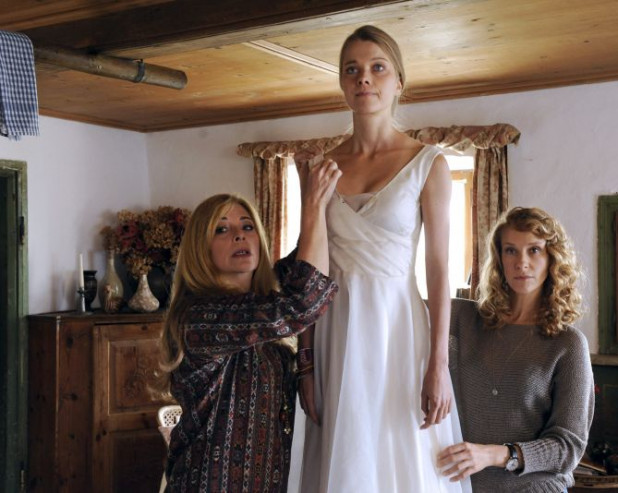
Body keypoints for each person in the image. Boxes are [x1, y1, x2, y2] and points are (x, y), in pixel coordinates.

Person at [298, 25, 470, 493]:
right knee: (346, 457)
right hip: (335, 332)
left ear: (398, 82)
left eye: (377, 68)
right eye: (351, 69)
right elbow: (308, 273)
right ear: (341, 83)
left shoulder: (429, 163)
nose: (364, 79)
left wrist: (438, 364)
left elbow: (439, 270)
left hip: (400, 333)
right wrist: (306, 363)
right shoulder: (319, 167)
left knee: (402, 453)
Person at [156, 158, 342, 492]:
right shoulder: (200, 317)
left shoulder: (258, 305)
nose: (239, 235)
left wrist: (316, 200)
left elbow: (300, 272)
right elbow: (303, 301)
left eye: (247, 226)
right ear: (200, 248)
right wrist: (313, 205)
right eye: (222, 229)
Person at [437, 207, 594, 492]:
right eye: (511, 251)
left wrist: (494, 455)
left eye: (534, 250)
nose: (522, 262)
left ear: (552, 258)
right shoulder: (461, 319)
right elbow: (394, 303)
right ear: (499, 259)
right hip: (456, 486)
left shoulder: (568, 344)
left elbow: (568, 447)